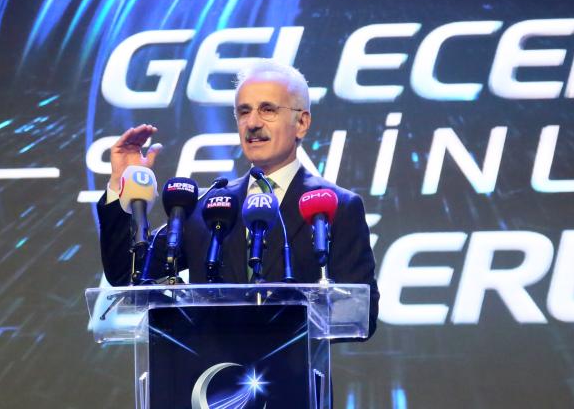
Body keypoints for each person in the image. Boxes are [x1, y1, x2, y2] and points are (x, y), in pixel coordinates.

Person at [96, 59, 379, 337]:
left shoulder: (338, 206)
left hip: (292, 366)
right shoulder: (206, 207)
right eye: (244, 112)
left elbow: (360, 315)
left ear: (302, 122)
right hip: (209, 367)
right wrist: (121, 183)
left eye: (267, 109)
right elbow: (126, 273)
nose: (252, 123)